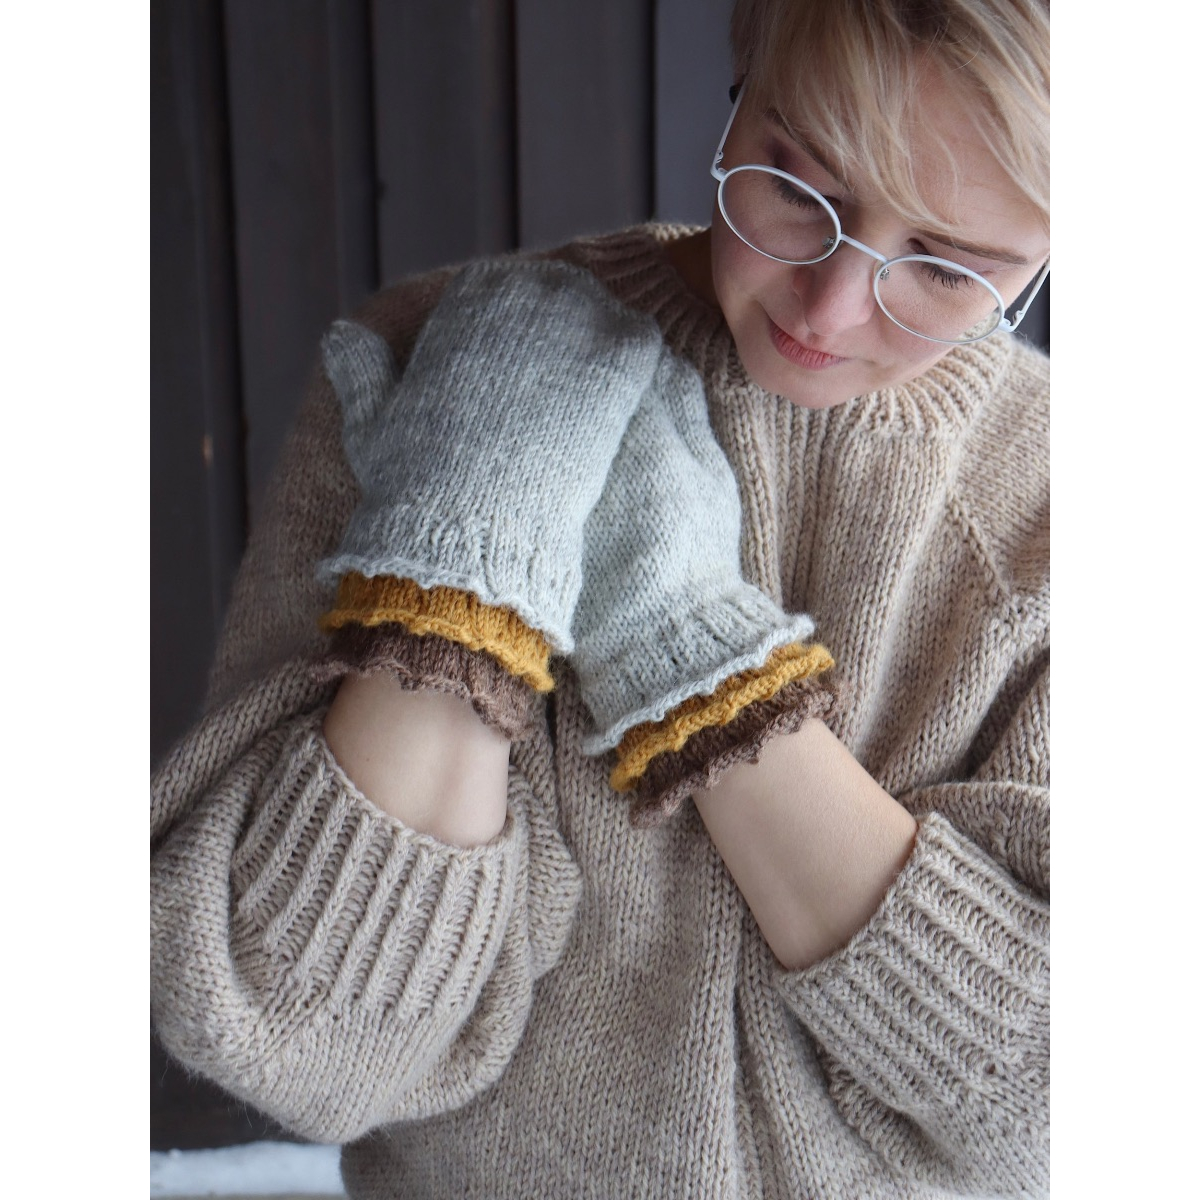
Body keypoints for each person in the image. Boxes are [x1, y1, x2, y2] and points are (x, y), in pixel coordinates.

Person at [150, 0, 1050, 1195]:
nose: (829, 309)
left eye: (943, 265)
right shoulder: (449, 365)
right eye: (798, 188)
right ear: (743, 80)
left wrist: (693, 653)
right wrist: (467, 551)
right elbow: (300, 1040)